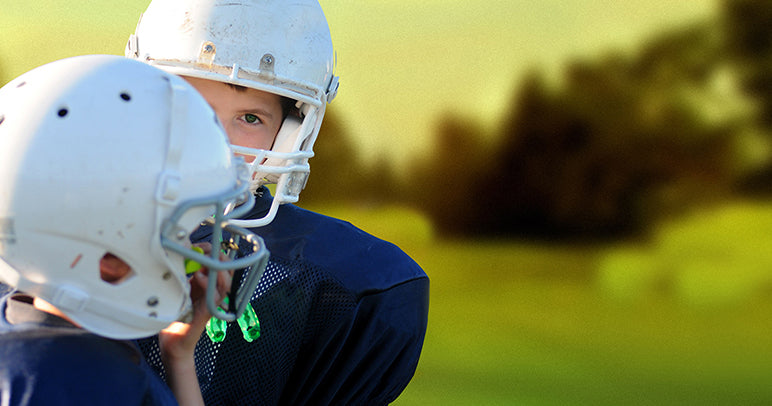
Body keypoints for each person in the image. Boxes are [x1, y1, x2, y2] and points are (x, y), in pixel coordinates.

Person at [126, 0, 430, 404]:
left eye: (250, 118)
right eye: (194, 106)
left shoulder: (333, 284)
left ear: (288, 133)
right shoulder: (61, 220)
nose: (217, 140)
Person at [0, 54, 269, 405]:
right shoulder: (73, 377)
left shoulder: (48, 341)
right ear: (107, 253)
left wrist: (179, 356)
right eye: (181, 229)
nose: (196, 245)